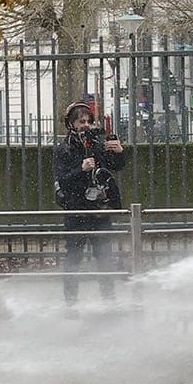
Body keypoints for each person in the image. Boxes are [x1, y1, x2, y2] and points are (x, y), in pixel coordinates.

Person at [51, 100, 127, 305]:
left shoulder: (97, 145)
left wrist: (119, 152)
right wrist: (80, 169)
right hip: (76, 212)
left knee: (104, 257)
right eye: (80, 121)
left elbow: (115, 167)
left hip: (100, 212)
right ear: (71, 124)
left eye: (88, 121)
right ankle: (70, 301)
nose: (85, 125)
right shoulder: (64, 149)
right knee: (73, 257)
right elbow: (62, 181)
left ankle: (109, 299)